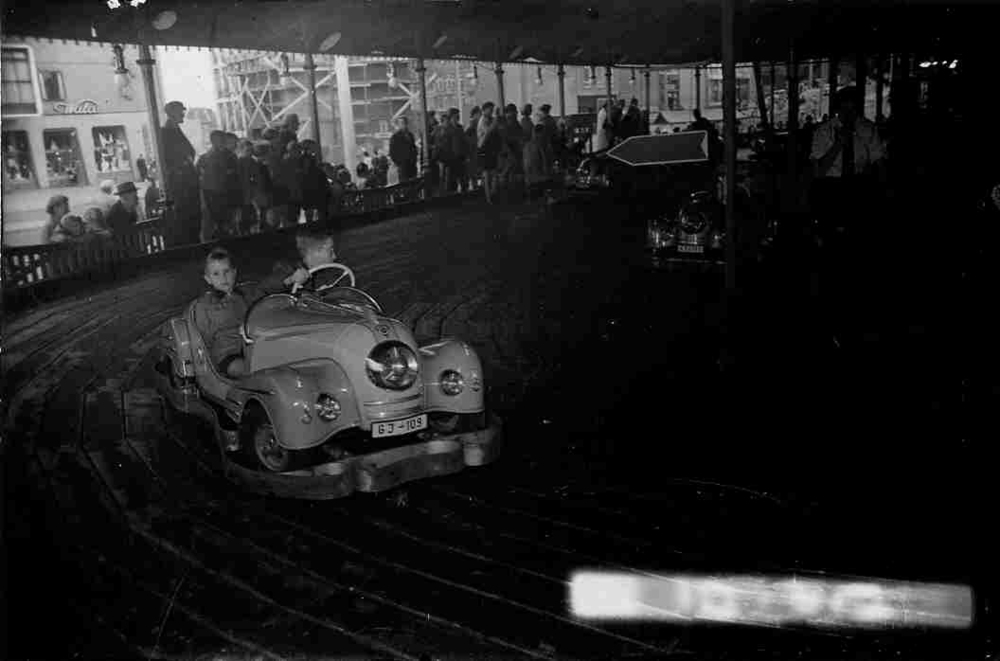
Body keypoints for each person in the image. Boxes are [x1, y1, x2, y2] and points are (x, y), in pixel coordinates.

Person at [192, 247, 309, 379]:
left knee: (291, 362)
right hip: (229, 355)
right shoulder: (204, 306)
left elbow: (268, 287)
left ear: (234, 272)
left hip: (258, 347)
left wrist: (291, 279)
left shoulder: (248, 292)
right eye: (216, 274)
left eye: (227, 271)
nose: (223, 277)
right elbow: (202, 340)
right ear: (208, 279)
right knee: (255, 372)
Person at [161, 100, 202, 246]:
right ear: (172, 113)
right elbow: (172, 157)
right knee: (187, 219)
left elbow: (189, 152)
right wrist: (184, 164)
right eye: (180, 111)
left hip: (187, 181)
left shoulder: (174, 129)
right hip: (181, 184)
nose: (183, 114)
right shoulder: (166, 132)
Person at [196, 130, 239, 239]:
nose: (223, 142)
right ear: (213, 141)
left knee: (225, 223)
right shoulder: (206, 158)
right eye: (221, 139)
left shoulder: (229, 156)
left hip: (222, 195)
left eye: (223, 139)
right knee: (222, 224)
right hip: (216, 196)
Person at [299, 139, 329, 223]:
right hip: (309, 187)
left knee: (313, 210)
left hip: (313, 187)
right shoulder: (305, 159)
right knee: (310, 211)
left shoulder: (310, 158)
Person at [523, 123, 551, 202]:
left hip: (528, 180)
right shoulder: (540, 145)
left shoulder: (526, 145)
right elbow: (545, 164)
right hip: (539, 180)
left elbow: (525, 164)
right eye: (544, 134)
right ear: (540, 133)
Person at [389, 116, 418, 181]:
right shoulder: (395, 137)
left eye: (405, 122)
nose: (403, 125)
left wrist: (414, 158)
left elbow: (413, 148)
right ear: (398, 125)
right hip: (403, 166)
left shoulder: (410, 135)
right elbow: (392, 152)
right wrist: (399, 163)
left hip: (412, 165)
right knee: (404, 183)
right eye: (401, 123)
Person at [465, 106, 482, 190]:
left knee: (474, 169)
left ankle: (475, 185)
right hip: (473, 150)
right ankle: (474, 186)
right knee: (473, 169)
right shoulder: (472, 125)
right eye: (479, 113)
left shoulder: (474, 124)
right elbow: (469, 138)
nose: (480, 115)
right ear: (475, 114)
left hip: (474, 149)